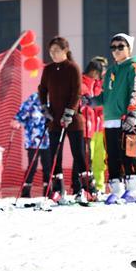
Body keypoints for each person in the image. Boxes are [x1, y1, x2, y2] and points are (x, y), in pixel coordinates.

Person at [89, 33, 136, 204]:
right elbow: (105, 96)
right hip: (111, 119)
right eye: (113, 47)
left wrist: (132, 113)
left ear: (129, 49)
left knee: (129, 154)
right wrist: (90, 100)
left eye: (121, 46)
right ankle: (116, 189)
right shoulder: (111, 71)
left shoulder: (134, 68)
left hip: (128, 119)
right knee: (112, 155)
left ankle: (134, 189)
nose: (116, 50)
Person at [38, 36, 95, 203]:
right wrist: (44, 108)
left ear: (65, 51)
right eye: (51, 51)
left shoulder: (73, 68)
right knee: (55, 154)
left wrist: (69, 112)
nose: (53, 54)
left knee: (79, 154)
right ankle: (58, 190)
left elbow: (76, 92)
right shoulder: (48, 70)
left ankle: (85, 189)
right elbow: (42, 89)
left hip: (73, 120)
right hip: (55, 119)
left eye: (56, 51)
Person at [11, 92, 51, 198]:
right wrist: (17, 120)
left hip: (47, 139)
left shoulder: (53, 98)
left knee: (48, 166)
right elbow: (24, 110)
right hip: (33, 139)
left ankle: (48, 191)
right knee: (32, 166)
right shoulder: (34, 98)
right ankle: (26, 191)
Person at [82, 56, 108, 188]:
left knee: (100, 159)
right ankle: (86, 186)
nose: (104, 72)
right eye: (102, 68)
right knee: (88, 158)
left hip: (100, 127)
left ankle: (99, 186)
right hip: (88, 127)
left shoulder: (103, 84)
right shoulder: (86, 82)